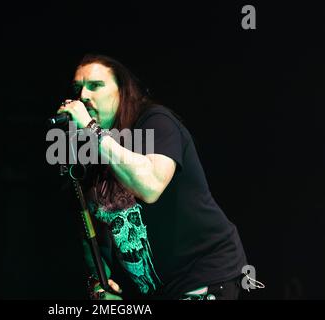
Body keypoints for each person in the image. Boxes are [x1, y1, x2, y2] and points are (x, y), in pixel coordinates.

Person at [56, 53, 248, 300]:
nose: (83, 96)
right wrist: (98, 282)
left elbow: (150, 186)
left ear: (122, 91)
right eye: (78, 88)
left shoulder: (155, 122)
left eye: (95, 86)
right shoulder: (87, 154)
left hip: (205, 275)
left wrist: (93, 129)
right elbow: (88, 230)